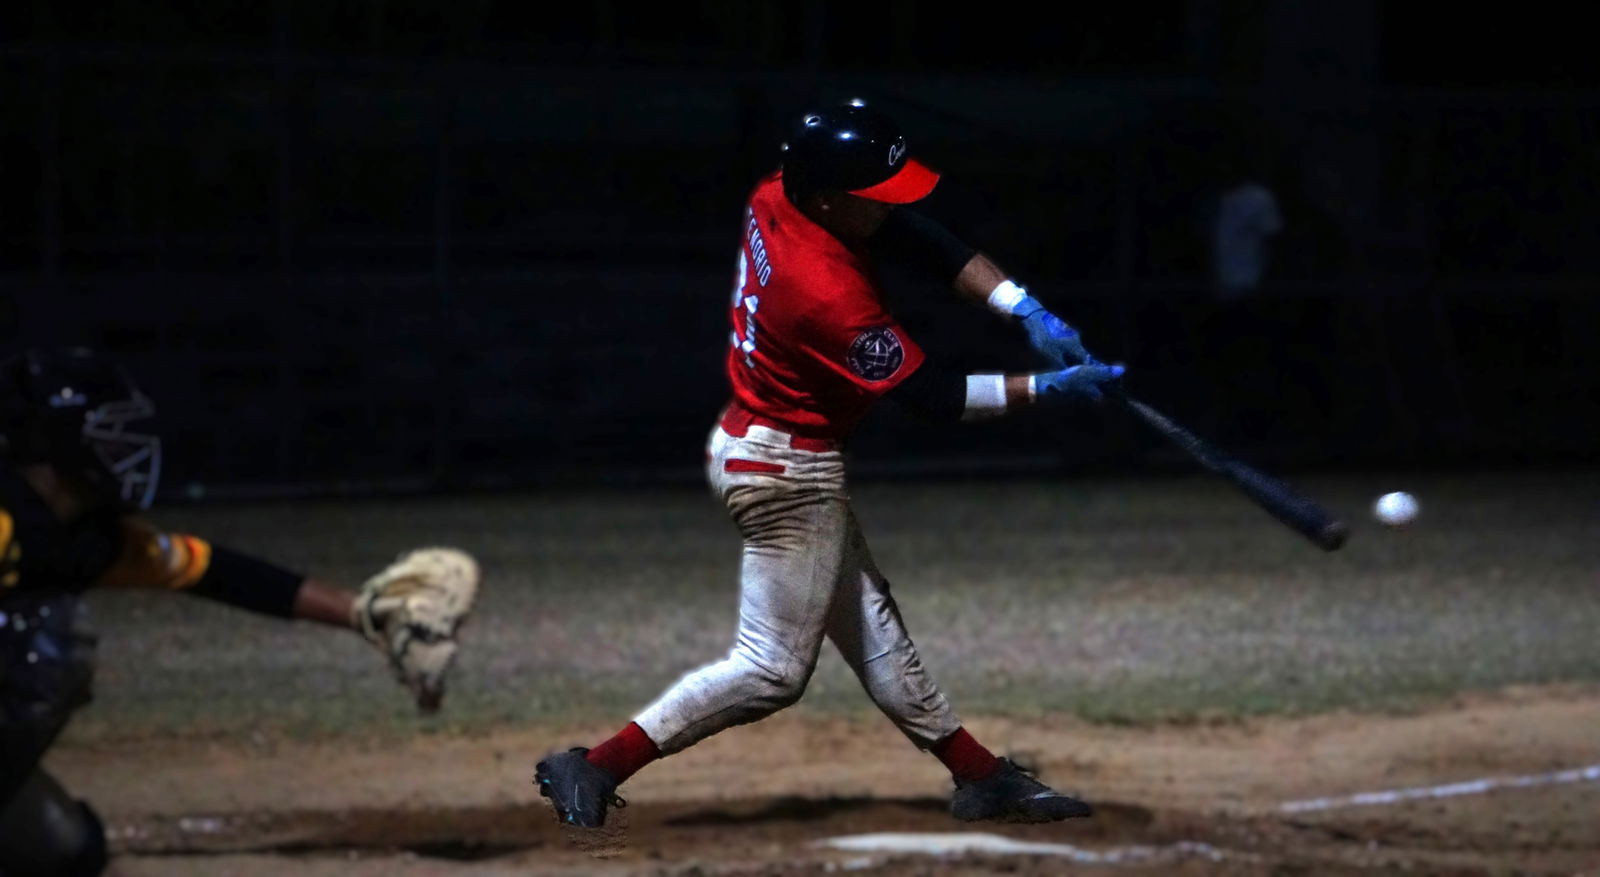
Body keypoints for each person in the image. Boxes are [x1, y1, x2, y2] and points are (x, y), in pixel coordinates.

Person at [533, 98, 1124, 828]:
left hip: (764, 443)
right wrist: (1047, 389)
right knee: (773, 670)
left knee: (875, 630)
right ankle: (594, 763)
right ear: (827, 199)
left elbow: (918, 235)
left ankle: (981, 775)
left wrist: (1024, 307)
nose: (887, 208)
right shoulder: (822, 293)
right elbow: (933, 398)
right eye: (871, 197)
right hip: (788, 473)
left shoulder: (782, 190)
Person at [0, 346, 480, 876]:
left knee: (68, 852)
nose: (123, 447)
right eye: (106, 431)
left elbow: (218, 572)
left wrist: (364, 614)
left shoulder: (79, 533)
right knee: (41, 642)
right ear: (57, 437)